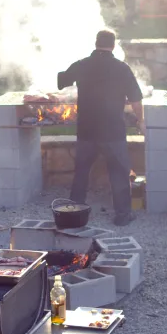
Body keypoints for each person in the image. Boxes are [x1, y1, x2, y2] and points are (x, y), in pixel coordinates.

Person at [57, 30, 145, 226]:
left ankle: (73, 215)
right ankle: (122, 216)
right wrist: (141, 120)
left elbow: (62, 81)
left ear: (96, 43)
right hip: (113, 131)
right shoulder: (121, 68)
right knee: (119, 173)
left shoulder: (82, 64)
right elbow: (136, 99)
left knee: (81, 172)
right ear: (113, 46)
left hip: (87, 130)